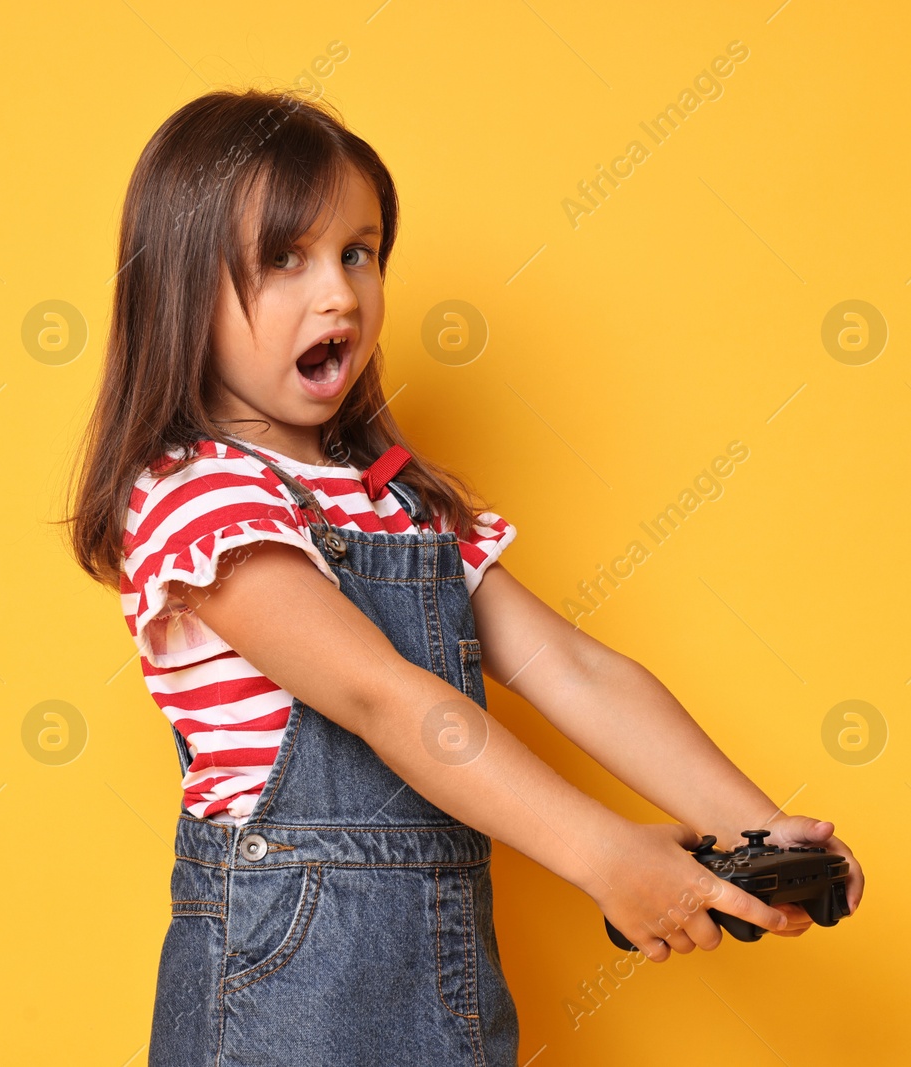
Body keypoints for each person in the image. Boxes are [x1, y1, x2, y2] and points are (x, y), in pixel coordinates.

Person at [63, 86, 863, 1065]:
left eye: (359, 251)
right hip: (286, 987)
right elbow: (381, 694)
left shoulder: (397, 497)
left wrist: (754, 824)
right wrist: (602, 852)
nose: (340, 294)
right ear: (180, 286)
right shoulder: (198, 495)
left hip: (437, 976)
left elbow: (574, 667)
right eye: (285, 258)